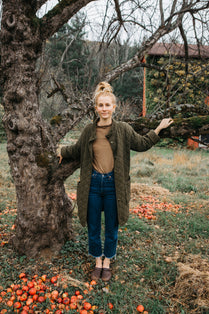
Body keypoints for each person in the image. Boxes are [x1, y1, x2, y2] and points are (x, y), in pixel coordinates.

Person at [58, 81, 173, 282]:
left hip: (114, 186)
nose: (104, 109)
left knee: (112, 225)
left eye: (107, 105)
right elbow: (76, 150)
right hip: (92, 185)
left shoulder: (123, 129)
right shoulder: (88, 131)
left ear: (114, 107)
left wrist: (159, 129)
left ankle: (107, 262)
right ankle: (97, 261)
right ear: (96, 108)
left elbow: (142, 143)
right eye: (100, 105)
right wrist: (61, 151)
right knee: (93, 226)